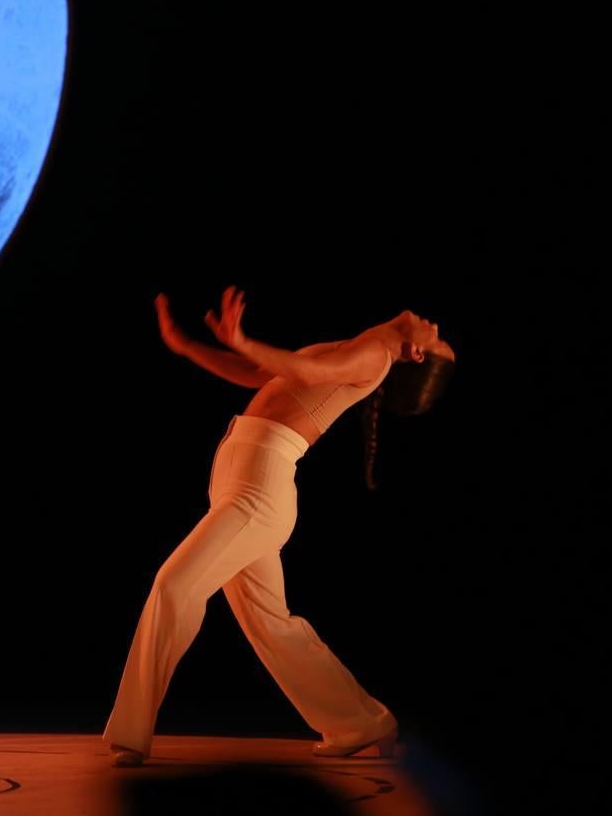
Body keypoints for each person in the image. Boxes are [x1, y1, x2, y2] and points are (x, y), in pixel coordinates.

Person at [102, 286, 456, 767]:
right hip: (243, 482)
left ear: (414, 354)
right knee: (273, 625)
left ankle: (131, 733)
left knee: (174, 585)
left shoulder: (373, 356)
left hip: (257, 492)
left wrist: (244, 340)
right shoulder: (358, 347)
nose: (434, 327)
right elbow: (256, 376)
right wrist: (186, 345)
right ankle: (362, 723)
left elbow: (305, 371)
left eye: (437, 341)